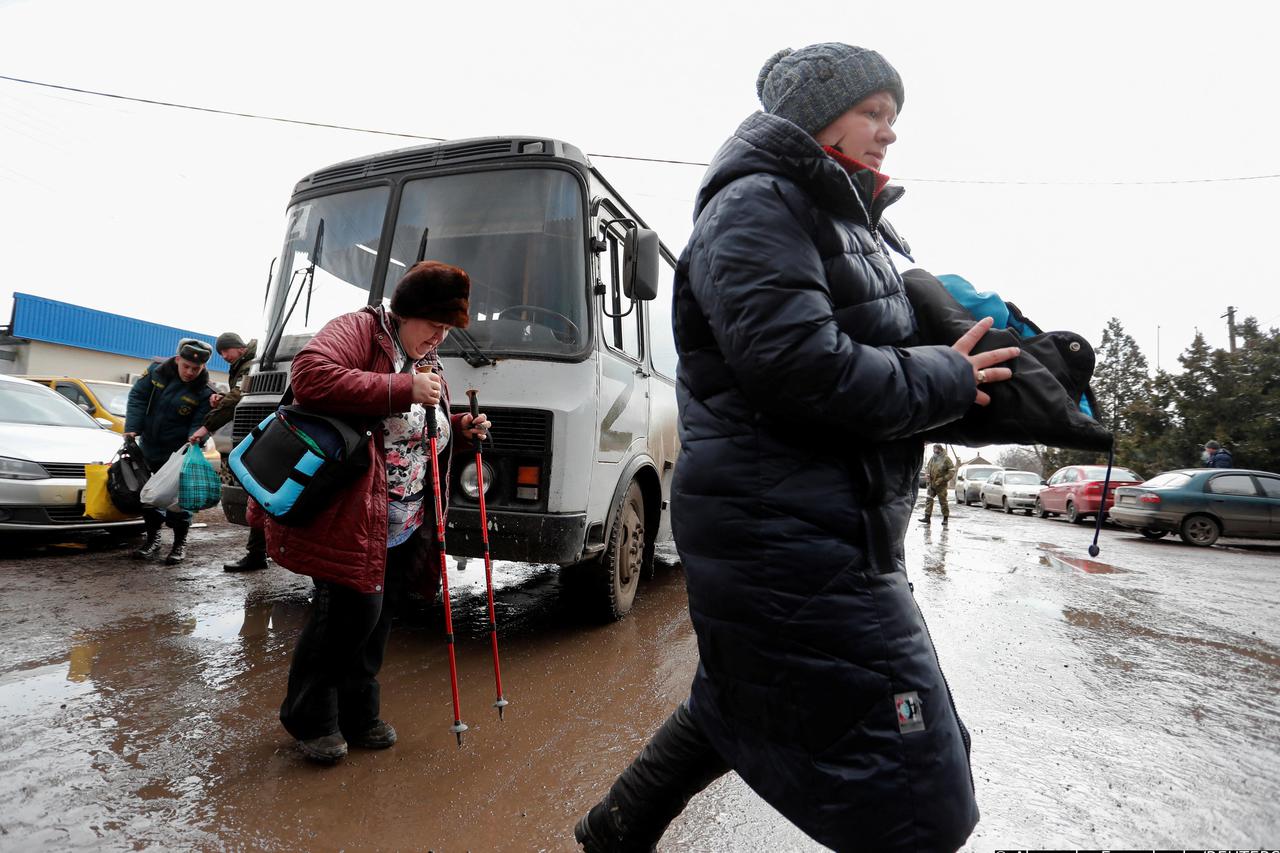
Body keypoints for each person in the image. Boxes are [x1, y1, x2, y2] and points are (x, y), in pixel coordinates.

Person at [575, 43, 1020, 852]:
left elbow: (858, 367)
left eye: (894, 116)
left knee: (737, 700)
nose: (889, 131)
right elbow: (802, 367)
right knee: (922, 796)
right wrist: (944, 378)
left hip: (817, 524)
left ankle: (613, 829)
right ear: (819, 116)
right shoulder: (757, 205)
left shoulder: (836, 219)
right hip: (786, 533)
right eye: (873, 112)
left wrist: (975, 379)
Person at [249, 260, 491, 765]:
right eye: (434, 325)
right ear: (405, 312)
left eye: (448, 329)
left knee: (376, 622)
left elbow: (412, 429)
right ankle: (310, 718)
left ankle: (359, 714)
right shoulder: (360, 330)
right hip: (350, 513)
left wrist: (458, 428)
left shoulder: (424, 356)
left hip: (403, 520)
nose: (440, 338)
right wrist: (402, 388)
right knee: (344, 618)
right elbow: (310, 375)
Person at [124, 338, 215, 564]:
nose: (190, 372)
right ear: (177, 359)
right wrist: (132, 427)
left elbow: (203, 421)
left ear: (203, 367)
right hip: (149, 445)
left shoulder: (205, 391)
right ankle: (152, 540)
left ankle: (178, 544)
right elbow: (138, 397)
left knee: (178, 500)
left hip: (178, 452)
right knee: (148, 494)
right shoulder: (157, 372)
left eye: (196, 368)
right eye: (186, 366)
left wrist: (196, 438)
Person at [188, 332, 266, 572]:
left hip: (261, 437)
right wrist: (222, 398)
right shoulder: (248, 363)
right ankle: (258, 553)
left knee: (261, 497)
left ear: (238, 347)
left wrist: (207, 426)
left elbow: (238, 398)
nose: (223, 356)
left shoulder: (254, 364)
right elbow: (239, 397)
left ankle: (258, 554)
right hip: (259, 437)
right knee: (261, 497)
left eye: (225, 351)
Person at [921, 443, 956, 525]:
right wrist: (927, 474)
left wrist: (943, 479)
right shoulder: (933, 458)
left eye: (936, 449)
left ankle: (945, 518)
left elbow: (952, 471)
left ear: (940, 449)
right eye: (934, 449)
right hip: (931, 483)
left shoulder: (946, 459)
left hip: (941, 484)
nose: (934, 450)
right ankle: (927, 517)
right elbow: (927, 467)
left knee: (943, 502)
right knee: (929, 500)